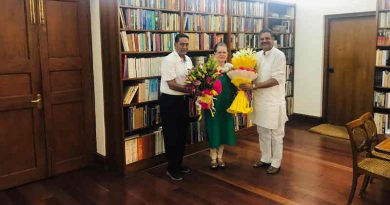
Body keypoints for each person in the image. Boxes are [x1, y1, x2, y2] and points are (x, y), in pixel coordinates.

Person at [239, 28, 288, 175]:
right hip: (260, 100)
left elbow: (276, 79)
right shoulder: (256, 55)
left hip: (274, 101)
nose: (264, 41)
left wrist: (253, 86)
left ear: (273, 40)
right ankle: (265, 158)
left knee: (276, 134)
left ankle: (276, 163)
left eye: (267, 38)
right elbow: (251, 74)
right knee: (262, 131)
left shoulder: (279, 55)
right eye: (262, 39)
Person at [160, 33, 194, 180]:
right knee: (171, 136)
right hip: (170, 102)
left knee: (182, 135)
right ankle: (171, 168)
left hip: (183, 101)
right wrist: (192, 90)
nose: (184, 47)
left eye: (187, 44)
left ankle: (179, 164)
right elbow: (172, 84)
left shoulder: (188, 60)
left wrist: (198, 83)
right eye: (182, 44)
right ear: (175, 44)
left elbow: (191, 79)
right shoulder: (169, 60)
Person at [205, 42, 236, 169]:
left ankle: (220, 157)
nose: (222, 54)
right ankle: (213, 157)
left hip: (226, 104)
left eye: (224, 52)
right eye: (219, 52)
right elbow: (203, 87)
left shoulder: (232, 68)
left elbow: (235, 86)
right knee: (213, 129)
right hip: (212, 104)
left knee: (224, 129)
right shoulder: (208, 69)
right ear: (214, 54)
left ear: (227, 54)